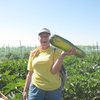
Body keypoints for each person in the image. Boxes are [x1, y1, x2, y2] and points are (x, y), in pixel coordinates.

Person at [23, 28, 76, 100]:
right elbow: (30, 73)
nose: (44, 38)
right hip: (36, 88)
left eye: (46, 36)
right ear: (38, 38)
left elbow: (54, 71)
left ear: (50, 39)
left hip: (53, 90)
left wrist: (62, 56)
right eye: (41, 36)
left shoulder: (56, 51)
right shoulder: (33, 53)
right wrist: (25, 90)